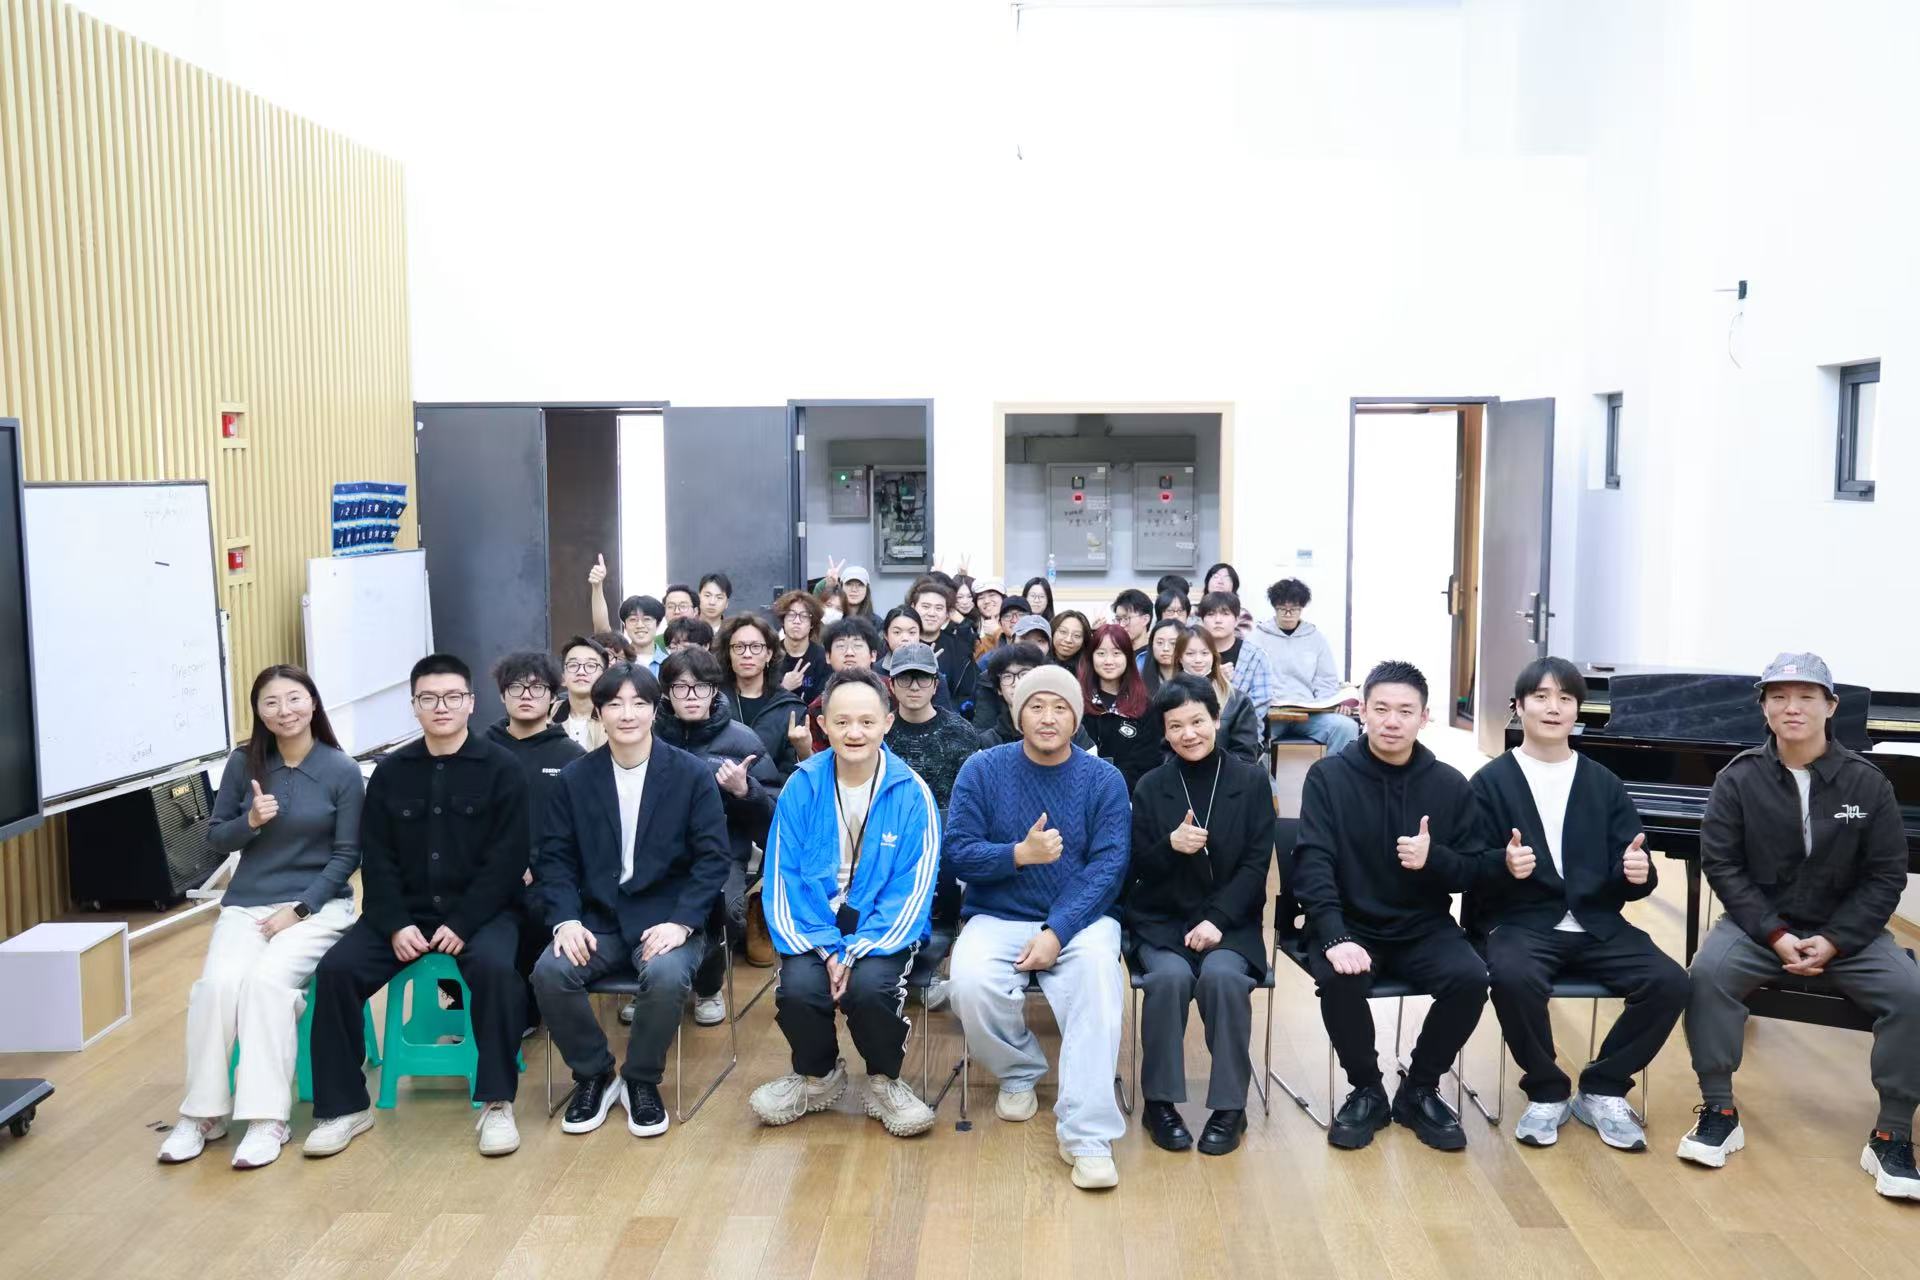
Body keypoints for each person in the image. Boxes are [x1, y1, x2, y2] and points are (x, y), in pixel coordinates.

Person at [1677, 653, 1920, 1199]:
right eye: (1779, 697)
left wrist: (1835, 939)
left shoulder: (1868, 784)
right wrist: (1774, 933)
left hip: (1848, 933)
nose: (1793, 707)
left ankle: (1892, 1134)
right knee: (1707, 975)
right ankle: (1718, 1110)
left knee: (1911, 993)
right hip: (1761, 928)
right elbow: (1723, 866)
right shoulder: (1737, 779)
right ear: (1763, 707)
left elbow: (1886, 876)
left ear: (1830, 707)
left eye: (1807, 697)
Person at [305, 654, 531, 1159]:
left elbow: (507, 860)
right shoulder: (391, 771)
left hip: (481, 914)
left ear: (471, 702)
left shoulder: (502, 769)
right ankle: (344, 1107)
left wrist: (464, 922)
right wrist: (394, 924)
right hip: (402, 914)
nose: (441, 706)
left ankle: (496, 1102)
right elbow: (377, 857)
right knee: (336, 972)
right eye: (429, 698)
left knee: (496, 971)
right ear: (414, 706)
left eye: (452, 697)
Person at [1470, 657, 1686, 1152]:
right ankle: (1546, 1090)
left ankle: (1603, 1087)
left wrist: (1638, 874)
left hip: (1596, 923)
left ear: (1577, 710)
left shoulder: (1603, 782)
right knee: (1512, 977)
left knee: (1670, 981)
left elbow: (1634, 866)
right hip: (1522, 923)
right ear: (1518, 706)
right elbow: (1467, 865)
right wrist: (1502, 864)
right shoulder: (1489, 782)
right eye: (1541, 697)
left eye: (1565, 698)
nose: (1553, 708)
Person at [157, 666, 364, 1170]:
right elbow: (215, 837)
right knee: (217, 987)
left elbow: (348, 855)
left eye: (294, 699)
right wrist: (250, 821)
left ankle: (267, 1118)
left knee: (267, 985)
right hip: (248, 903)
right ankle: (202, 1114)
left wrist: (300, 909)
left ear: (313, 703)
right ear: (258, 711)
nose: (284, 711)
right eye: (271, 702)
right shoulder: (243, 762)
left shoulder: (341, 769)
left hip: (318, 907)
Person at [1290, 659, 1488, 1153]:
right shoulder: (1328, 777)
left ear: (1424, 718)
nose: (1392, 721)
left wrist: (1433, 859)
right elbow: (1313, 863)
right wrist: (1334, 935)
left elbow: (1473, 870)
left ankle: (1419, 1088)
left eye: (1405, 711)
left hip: (1423, 925)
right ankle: (1367, 1090)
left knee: (1470, 978)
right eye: (1381, 709)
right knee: (1340, 979)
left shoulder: (1449, 784)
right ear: (1362, 711)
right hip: (1350, 923)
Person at [946, 665, 1132, 1189]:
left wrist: (1058, 931)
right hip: (998, 912)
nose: (1048, 718)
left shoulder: (1104, 779)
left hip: (1082, 919)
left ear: (1077, 717)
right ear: (1017, 713)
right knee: (968, 983)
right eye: (1036, 706)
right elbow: (956, 852)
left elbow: (1109, 866)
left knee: (1099, 985)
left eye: (1060, 707)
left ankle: (1088, 1136)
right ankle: (1018, 1070)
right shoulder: (982, 769)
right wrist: (1017, 855)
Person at [531, 663, 731, 1140]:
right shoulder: (575, 778)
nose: (627, 714)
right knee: (550, 972)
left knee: (665, 976)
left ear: (654, 710)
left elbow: (713, 858)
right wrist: (565, 921)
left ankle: (641, 1079)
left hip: (667, 919)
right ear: (598, 712)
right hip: (597, 920)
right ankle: (595, 1073)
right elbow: (555, 860)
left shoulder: (690, 774)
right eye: (615, 704)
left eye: (639, 703)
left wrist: (682, 922)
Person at [748, 668, 941, 1136]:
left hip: (882, 926)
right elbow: (783, 878)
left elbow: (912, 889)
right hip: (815, 922)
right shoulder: (801, 785)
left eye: (867, 721)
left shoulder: (912, 791)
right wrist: (828, 948)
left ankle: (884, 1080)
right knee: (799, 988)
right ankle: (817, 1076)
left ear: (887, 723)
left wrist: (856, 950)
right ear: (823, 725)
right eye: (842, 721)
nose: (855, 732)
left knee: (871, 989)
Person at [1128, 675, 1275, 1157]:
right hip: (1164, 922)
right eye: (1176, 726)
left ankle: (1231, 1107)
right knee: (1168, 980)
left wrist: (1217, 920)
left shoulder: (1251, 781)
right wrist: (1170, 847)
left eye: (1197, 721)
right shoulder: (1151, 786)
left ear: (1216, 719)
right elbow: (1137, 869)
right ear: (1164, 732)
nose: (1188, 734)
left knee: (1224, 980)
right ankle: (1160, 1104)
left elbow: (1256, 865)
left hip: (1230, 923)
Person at [653, 647, 782, 1024]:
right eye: (681, 687)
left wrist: (746, 791)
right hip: (655, 852)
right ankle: (648, 981)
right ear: (666, 694)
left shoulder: (742, 741)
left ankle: (708, 986)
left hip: (721, 852)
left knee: (723, 908)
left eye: (701, 687)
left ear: (714, 690)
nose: (691, 696)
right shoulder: (648, 736)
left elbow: (773, 819)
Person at [485, 651, 587, 1030]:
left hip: (546, 877)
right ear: (502, 695)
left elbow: (578, 831)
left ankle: (527, 1011)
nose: (526, 695)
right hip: (487, 873)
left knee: (537, 912)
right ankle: (458, 1006)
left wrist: (535, 866)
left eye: (537, 687)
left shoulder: (572, 757)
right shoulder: (479, 750)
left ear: (553, 696)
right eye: (516, 687)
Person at [882, 642, 983, 938]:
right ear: (891, 685)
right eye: (905, 678)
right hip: (889, 839)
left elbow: (973, 802)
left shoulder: (961, 733)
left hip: (947, 842)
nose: (914, 686)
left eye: (923, 678)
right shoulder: (879, 731)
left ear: (936, 684)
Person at [1242, 577, 1357, 751]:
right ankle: (1260, 771)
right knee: (1247, 733)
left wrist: (1329, 705)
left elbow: (1326, 680)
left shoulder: (1315, 638)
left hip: (1309, 714)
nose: (1288, 614)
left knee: (1346, 727)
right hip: (1270, 714)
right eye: (1282, 609)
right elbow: (1247, 680)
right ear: (1274, 607)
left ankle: (1332, 770)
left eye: (1294, 609)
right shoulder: (1256, 638)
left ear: (1302, 608)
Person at [718, 613, 808, 777]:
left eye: (755, 647)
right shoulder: (714, 701)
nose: (747, 654)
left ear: (768, 654)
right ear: (728, 653)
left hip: (771, 791)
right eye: (739, 647)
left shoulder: (790, 708)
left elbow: (791, 773)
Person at [1078, 622, 1160, 793]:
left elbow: (1147, 762)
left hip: (1128, 796)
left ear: (1128, 657)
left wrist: (1113, 788)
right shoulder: (1077, 702)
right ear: (1091, 657)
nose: (1109, 661)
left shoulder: (1144, 706)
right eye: (1101, 653)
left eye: (1117, 653)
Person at [1173, 627, 1263, 765]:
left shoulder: (1237, 701)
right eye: (1190, 654)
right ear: (1180, 658)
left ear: (1214, 656)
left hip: (1227, 774)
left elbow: (1245, 754)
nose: (1198, 660)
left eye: (1205, 653)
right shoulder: (1168, 698)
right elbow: (1161, 751)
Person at [1198, 591, 1278, 712]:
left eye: (1225, 614)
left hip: (1243, 722)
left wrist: (1230, 720)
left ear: (1236, 620)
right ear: (1202, 620)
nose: (1218, 620)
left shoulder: (1255, 656)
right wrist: (1213, 679)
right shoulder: (1192, 654)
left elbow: (1261, 701)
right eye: (1211, 614)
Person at [587, 555, 665, 666]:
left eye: (647, 619)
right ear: (625, 626)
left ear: (658, 624)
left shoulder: (670, 662)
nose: (640, 625)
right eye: (633, 619)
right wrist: (597, 586)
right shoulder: (617, 659)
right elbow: (602, 630)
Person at [554, 635, 610, 751]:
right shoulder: (548, 716)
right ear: (562, 677)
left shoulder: (614, 718)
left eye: (591, 666)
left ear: (604, 676)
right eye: (573, 665)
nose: (581, 672)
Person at [773, 589, 828, 707]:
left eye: (804, 616)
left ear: (812, 623)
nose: (797, 621)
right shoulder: (770, 655)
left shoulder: (823, 659)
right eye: (791, 615)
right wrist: (783, 688)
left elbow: (824, 703)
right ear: (783, 620)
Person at [1200, 562, 1254, 635]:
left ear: (1234, 586)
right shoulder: (1193, 612)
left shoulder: (1243, 615)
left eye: (1227, 578)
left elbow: (1240, 638)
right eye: (1216, 577)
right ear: (1207, 583)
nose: (1220, 581)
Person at [1110, 588, 1154, 664]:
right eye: (1118, 619)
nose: (1121, 625)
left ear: (1145, 619)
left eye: (1126, 618)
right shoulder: (1114, 653)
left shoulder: (1156, 654)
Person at [1142, 618, 1184, 694]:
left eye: (1173, 643)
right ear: (1152, 644)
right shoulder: (1139, 682)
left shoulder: (1193, 681)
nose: (1166, 648)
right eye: (1160, 642)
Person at [971, 577, 1007, 658]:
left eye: (992, 595)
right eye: (981, 598)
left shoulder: (1013, 623)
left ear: (1002, 598)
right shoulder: (973, 629)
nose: (986, 601)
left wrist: (997, 632)